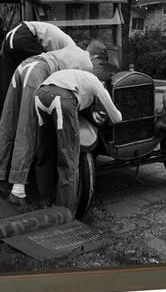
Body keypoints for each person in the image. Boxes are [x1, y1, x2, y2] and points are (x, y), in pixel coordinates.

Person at [0, 42, 105, 205]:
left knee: (8, 123)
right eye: (100, 63)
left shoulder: (70, 48)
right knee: (27, 127)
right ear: (96, 57)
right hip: (37, 72)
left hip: (24, 66)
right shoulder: (87, 63)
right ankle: (17, 191)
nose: (97, 67)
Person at [34, 68, 122, 213]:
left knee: (45, 152)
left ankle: (44, 202)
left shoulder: (78, 75)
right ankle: (64, 211)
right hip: (62, 98)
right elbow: (116, 118)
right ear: (104, 82)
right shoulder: (97, 84)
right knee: (68, 159)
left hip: (40, 94)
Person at [1, 21, 75, 96]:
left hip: (11, 37)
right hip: (23, 35)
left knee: (11, 81)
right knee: (40, 70)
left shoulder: (66, 45)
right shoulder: (71, 50)